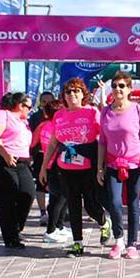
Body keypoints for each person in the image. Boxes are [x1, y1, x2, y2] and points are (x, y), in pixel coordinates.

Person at [40, 79, 111, 257]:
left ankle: (104, 222)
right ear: (63, 96)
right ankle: (77, 243)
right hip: (65, 168)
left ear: (83, 95)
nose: (72, 95)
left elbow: (103, 138)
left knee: (90, 205)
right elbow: (53, 143)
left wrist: (102, 166)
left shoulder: (91, 112)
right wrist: (43, 167)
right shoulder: (59, 115)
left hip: (88, 166)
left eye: (76, 91)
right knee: (73, 205)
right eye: (69, 92)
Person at [97, 72, 140, 259]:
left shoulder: (137, 110)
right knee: (114, 202)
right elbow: (103, 141)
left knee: (133, 204)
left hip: (135, 162)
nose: (117, 89)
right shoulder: (106, 112)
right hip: (113, 163)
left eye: (122, 86)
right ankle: (119, 239)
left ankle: (132, 244)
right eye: (114, 85)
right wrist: (99, 167)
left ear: (129, 89)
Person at [0, 92, 35, 249]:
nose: (30, 110)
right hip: (6, 162)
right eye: (28, 107)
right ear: (20, 106)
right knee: (7, 200)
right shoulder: (3, 115)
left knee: (28, 194)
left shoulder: (24, 122)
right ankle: (10, 237)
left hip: (23, 163)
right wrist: (6, 155)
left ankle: (16, 228)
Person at [30, 100, 69, 244]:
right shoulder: (59, 125)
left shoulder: (43, 125)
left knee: (63, 197)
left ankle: (59, 226)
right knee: (57, 199)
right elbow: (33, 143)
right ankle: (51, 230)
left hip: (54, 164)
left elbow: (32, 143)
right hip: (54, 166)